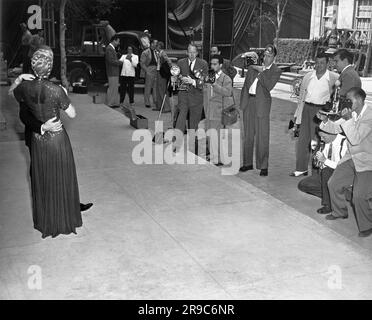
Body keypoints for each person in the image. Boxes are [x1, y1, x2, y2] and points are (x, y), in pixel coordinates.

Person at [12, 47, 89, 238]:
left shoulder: (22, 88)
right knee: (61, 176)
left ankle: (46, 219)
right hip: (56, 139)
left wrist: (19, 80)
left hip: (38, 141)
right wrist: (64, 93)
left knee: (42, 179)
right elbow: (72, 113)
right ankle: (63, 217)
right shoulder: (56, 90)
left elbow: (14, 94)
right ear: (49, 68)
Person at [9, 73, 93, 214]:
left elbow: (12, 92)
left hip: (55, 136)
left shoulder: (51, 87)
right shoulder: (27, 87)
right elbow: (22, 113)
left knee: (61, 171)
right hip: (36, 136)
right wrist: (42, 127)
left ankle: (70, 205)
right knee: (38, 173)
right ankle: (45, 208)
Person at [319, 88, 372, 237]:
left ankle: (367, 225)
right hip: (352, 158)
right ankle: (340, 211)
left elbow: (355, 139)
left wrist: (348, 119)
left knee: (359, 196)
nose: (346, 103)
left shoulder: (369, 116)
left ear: (360, 100)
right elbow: (336, 128)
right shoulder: (352, 113)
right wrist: (324, 121)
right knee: (333, 183)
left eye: (349, 100)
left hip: (368, 161)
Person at [290, 52, 339, 177]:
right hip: (306, 108)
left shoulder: (333, 78)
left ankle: (317, 172)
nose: (319, 65)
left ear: (327, 64)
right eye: (317, 63)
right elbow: (301, 96)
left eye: (322, 63)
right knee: (303, 140)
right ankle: (301, 169)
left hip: (320, 111)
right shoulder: (308, 76)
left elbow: (336, 98)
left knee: (317, 141)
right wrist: (297, 115)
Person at [239, 44, 282, 176]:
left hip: (262, 104)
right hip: (249, 103)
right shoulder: (252, 68)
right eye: (265, 55)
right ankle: (247, 163)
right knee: (248, 135)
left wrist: (262, 71)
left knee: (262, 136)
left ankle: (263, 165)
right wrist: (243, 104)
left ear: (274, 57)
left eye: (269, 56)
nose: (266, 58)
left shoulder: (275, 71)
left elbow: (268, 86)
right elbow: (246, 86)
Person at [298, 126, 347, 214]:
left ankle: (328, 204)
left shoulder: (345, 143)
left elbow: (343, 167)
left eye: (324, 137)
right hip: (327, 177)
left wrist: (325, 160)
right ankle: (334, 196)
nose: (321, 139)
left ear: (332, 133)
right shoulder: (325, 142)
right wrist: (317, 159)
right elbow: (320, 164)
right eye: (320, 136)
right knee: (303, 185)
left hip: (342, 176)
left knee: (326, 171)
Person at [173, 44, 208, 153]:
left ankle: (194, 147)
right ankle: (176, 143)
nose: (192, 54)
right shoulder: (180, 63)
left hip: (197, 97)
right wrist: (178, 78)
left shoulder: (203, 64)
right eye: (190, 52)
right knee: (180, 119)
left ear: (197, 53)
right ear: (187, 52)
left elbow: (204, 82)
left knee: (194, 124)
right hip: (183, 95)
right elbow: (176, 78)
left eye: (194, 52)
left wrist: (192, 81)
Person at [202, 54, 233, 165]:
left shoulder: (225, 78)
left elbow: (228, 92)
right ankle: (214, 157)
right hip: (208, 111)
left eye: (215, 64)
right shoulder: (208, 76)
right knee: (211, 135)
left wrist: (215, 85)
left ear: (220, 65)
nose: (212, 66)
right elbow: (204, 91)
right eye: (211, 64)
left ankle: (218, 159)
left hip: (218, 111)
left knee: (216, 136)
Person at [154, 41, 172, 112]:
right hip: (159, 72)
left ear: (160, 46)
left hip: (162, 74)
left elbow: (169, 62)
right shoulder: (159, 53)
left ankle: (167, 107)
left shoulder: (163, 53)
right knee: (158, 90)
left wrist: (169, 69)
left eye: (157, 46)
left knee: (162, 90)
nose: (156, 47)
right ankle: (160, 106)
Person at [140, 39, 158, 108]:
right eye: (155, 43)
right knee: (148, 87)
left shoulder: (156, 52)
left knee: (155, 87)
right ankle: (147, 102)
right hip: (149, 69)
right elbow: (142, 63)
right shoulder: (145, 52)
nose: (156, 45)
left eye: (156, 44)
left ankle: (155, 100)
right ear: (151, 44)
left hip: (156, 70)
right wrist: (147, 71)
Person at [105, 34, 122, 107]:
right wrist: (121, 62)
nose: (118, 43)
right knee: (112, 88)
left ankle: (114, 102)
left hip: (114, 71)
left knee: (115, 88)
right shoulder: (109, 48)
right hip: (112, 71)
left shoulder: (111, 48)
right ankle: (110, 103)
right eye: (118, 41)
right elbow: (111, 61)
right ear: (114, 41)